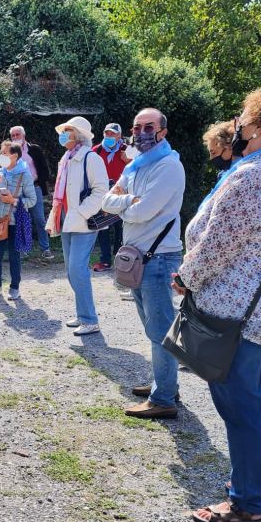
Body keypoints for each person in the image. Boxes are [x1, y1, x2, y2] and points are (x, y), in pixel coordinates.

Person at [173, 88, 261, 522]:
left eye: (243, 119)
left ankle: (246, 505)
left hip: (236, 307)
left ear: (260, 127)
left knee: (240, 407)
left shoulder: (252, 175)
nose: (237, 125)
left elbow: (218, 242)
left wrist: (186, 277)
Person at [101, 108, 186, 418]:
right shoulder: (137, 164)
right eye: (136, 127)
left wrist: (126, 203)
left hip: (158, 257)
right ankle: (165, 385)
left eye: (148, 127)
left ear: (163, 131)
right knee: (153, 328)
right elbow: (106, 201)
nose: (140, 133)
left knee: (160, 329)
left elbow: (142, 211)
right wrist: (130, 200)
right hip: (140, 257)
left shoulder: (169, 166)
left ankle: (163, 399)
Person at [45, 117, 107, 336]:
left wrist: (81, 212)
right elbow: (61, 195)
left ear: (79, 135)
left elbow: (101, 190)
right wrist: (56, 218)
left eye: (68, 131)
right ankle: (82, 315)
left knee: (77, 270)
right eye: (63, 130)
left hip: (83, 222)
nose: (63, 134)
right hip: (66, 220)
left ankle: (90, 320)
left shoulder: (91, 158)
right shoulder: (66, 158)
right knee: (71, 271)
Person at [0, 141, 36, 300]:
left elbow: (32, 200)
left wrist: (13, 201)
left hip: (15, 221)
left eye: (4, 153)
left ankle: (15, 288)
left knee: (14, 257)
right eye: (1, 153)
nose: (1, 156)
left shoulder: (25, 174)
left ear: (14, 156)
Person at [10, 125, 55, 260]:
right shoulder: (9, 151)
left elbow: (45, 170)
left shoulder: (35, 149)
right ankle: (23, 249)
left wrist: (36, 180)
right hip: (18, 190)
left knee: (40, 219)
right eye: (13, 135)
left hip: (34, 188)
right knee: (22, 219)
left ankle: (45, 248)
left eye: (18, 134)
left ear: (24, 135)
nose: (15, 137)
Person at [90, 123, 130, 271]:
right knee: (103, 228)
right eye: (107, 133)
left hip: (122, 194)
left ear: (119, 136)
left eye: (113, 133)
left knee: (121, 228)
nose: (109, 136)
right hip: (102, 194)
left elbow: (138, 170)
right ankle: (105, 261)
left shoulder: (128, 150)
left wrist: (129, 160)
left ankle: (121, 260)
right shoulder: (96, 150)